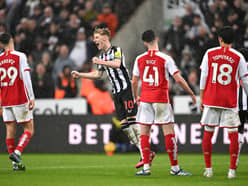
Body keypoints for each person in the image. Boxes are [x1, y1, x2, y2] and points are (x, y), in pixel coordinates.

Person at [71, 27, 154, 168]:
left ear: (104, 37)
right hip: (116, 92)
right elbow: (98, 75)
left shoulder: (116, 50)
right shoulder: (102, 56)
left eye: (96, 37)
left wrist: (100, 62)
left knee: (133, 123)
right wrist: (80, 75)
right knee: (125, 126)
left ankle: (145, 155)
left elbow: (117, 64)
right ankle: (146, 152)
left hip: (126, 89)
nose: (94, 40)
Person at [131, 29, 196, 176]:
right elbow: (178, 79)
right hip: (160, 98)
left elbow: (134, 81)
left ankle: (146, 168)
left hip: (146, 99)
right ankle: (175, 168)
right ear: (157, 39)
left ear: (144, 42)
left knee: (144, 133)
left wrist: (136, 97)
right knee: (168, 132)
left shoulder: (139, 59)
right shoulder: (166, 58)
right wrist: (191, 92)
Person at [199, 26, 248, 179]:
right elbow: (245, 81)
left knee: (208, 134)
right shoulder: (238, 57)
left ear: (220, 39)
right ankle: (232, 170)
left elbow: (203, 77)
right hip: (229, 101)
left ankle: (209, 169)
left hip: (211, 100)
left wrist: (201, 97)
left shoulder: (209, 53)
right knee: (233, 135)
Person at [0, 33, 35, 171]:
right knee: (29, 129)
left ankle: (15, 164)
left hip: (5, 100)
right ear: (12, 41)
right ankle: (17, 153)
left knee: (10, 131)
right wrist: (31, 96)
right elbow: (26, 77)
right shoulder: (20, 56)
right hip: (19, 98)